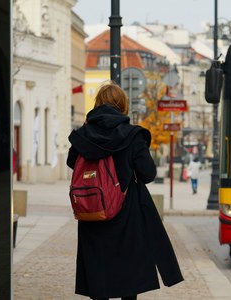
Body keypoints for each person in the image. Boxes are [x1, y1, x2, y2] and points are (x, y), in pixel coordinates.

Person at [66, 81, 183, 300]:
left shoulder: (83, 135)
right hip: (127, 213)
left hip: (93, 211)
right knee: (127, 272)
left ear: (98, 103)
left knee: (98, 269)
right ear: (122, 105)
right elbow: (147, 174)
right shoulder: (132, 135)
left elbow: (73, 163)